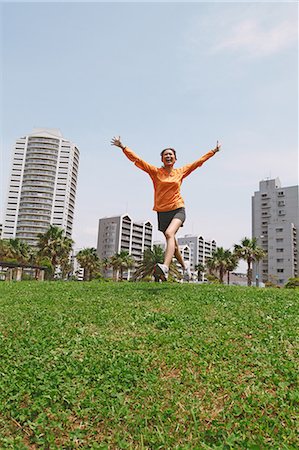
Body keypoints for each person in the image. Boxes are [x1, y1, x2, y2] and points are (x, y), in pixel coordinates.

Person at [111, 136, 221, 281]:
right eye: (165, 155)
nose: (168, 156)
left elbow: (198, 163)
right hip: (162, 212)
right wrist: (123, 147)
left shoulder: (180, 171)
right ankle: (185, 266)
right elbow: (137, 160)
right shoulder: (155, 172)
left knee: (170, 234)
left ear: (175, 159)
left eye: (171, 155)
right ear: (162, 159)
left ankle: (165, 267)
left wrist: (213, 151)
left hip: (177, 209)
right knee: (173, 245)